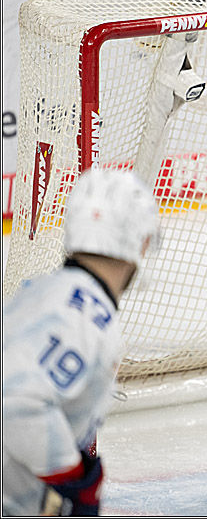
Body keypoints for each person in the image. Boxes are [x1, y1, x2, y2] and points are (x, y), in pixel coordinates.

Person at [2, 169, 159, 516]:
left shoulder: (48, 291)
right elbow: (14, 397)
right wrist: (72, 480)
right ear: (143, 240)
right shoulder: (85, 313)